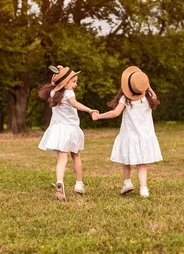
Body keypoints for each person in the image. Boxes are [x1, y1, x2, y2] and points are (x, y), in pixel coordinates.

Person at [92, 66, 162, 198]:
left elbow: (115, 113)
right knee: (142, 164)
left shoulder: (126, 99)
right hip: (144, 136)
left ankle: (127, 182)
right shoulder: (149, 97)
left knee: (126, 159)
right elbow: (153, 93)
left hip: (130, 135)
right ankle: (144, 189)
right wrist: (146, 85)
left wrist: (99, 116)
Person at [38, 65, 98, 202]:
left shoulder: (53, 92)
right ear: (65, 82)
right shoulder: (69, 93)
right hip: (71, 130)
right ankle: (79, 184)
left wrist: (61, 71)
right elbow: (75, 104)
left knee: (61, 160)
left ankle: (60, 181)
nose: (75, 84)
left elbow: (55, 81)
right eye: (74, 81)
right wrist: (90, 110)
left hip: (59, 131)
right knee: (76, 156)